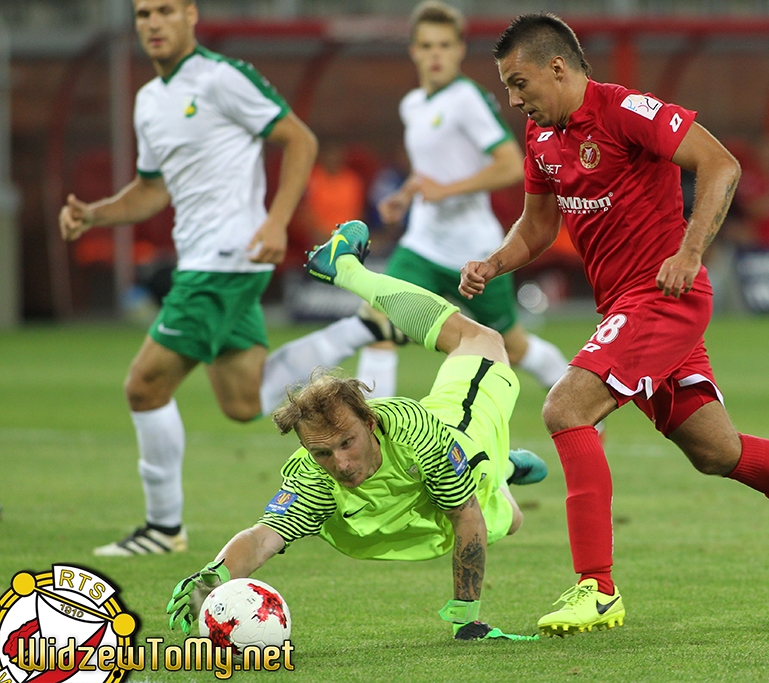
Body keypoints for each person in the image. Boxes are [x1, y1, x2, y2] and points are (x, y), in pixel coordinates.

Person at [460, 13, 769, 637]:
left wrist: (690, 252)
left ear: (557, 68)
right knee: (718, 453)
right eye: (508, 87)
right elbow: (537, 226)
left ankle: (597, 588)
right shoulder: (542, 137)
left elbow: (721, 164)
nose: (514, 100)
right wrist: (493, 263)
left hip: (663, 298)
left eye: (518, 83)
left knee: (565, 408)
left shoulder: (625, 111)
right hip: (627, 309)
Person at [58, 0, 394, 557]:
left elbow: (300, 139)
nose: (153, 23)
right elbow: (151, 189)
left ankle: (163, 528)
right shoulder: (149, 100)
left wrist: (277, 221)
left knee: (144, 386)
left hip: (223, 261)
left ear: (190, 14)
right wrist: (94, 213)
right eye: (143, 14)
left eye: (165, 10)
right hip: (205, 262)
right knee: (243, 402)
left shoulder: (222, 77)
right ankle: (365, 327)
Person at [167, 220, 546, 641]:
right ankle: (345, 268)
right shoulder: (312, 476)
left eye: (347, 442)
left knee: (509, 511)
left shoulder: (415, 433)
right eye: (322, 453)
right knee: (480, 343)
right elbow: (261, 539)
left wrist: (467, 619)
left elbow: (467, 517)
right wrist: (212, 576)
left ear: (370, 422)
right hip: (432, 493)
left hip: (458, 439)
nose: (342, 464)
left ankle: (346, 269)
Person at [359, 1, 568, 399]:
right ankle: (375, 426)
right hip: (422, 246)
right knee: (379, 322)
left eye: (444, 45)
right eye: (427, 46)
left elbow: (511, 164)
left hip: (473, 250)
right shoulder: (412, 104)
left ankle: (576, 398)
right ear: (414, 51)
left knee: (513, 347)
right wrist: (406, 195)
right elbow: (431, 169)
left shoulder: (467, 99)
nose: (435, 54)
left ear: (459, 50)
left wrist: (446, 190)